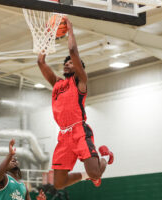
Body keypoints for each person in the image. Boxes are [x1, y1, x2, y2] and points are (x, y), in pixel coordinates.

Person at [37, 17, 114, 189]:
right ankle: (87, 175)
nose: (67, 64)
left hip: (79, 131)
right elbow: (40, 62)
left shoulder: (80, 81)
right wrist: (49, 36)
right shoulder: (57, 83)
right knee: (58, 183)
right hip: (63, 136)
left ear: (79, 68)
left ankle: (105, 158)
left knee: (96, 172)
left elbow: (72, 50)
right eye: (65, 63)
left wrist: (70, 30)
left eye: (71, 63)